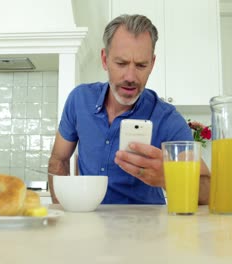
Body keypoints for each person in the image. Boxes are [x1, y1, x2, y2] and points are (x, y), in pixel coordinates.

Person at [48, 14, 210, 205]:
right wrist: (62, 212)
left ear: (152, 64)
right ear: (104, 59)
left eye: (141, 65)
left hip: (147, 230)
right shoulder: (79, 100)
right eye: (121, 63)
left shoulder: (167, 119)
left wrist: (169, 177)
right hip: (89, 226)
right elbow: (58, 160)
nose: (131, 77)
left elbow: (207, 192)